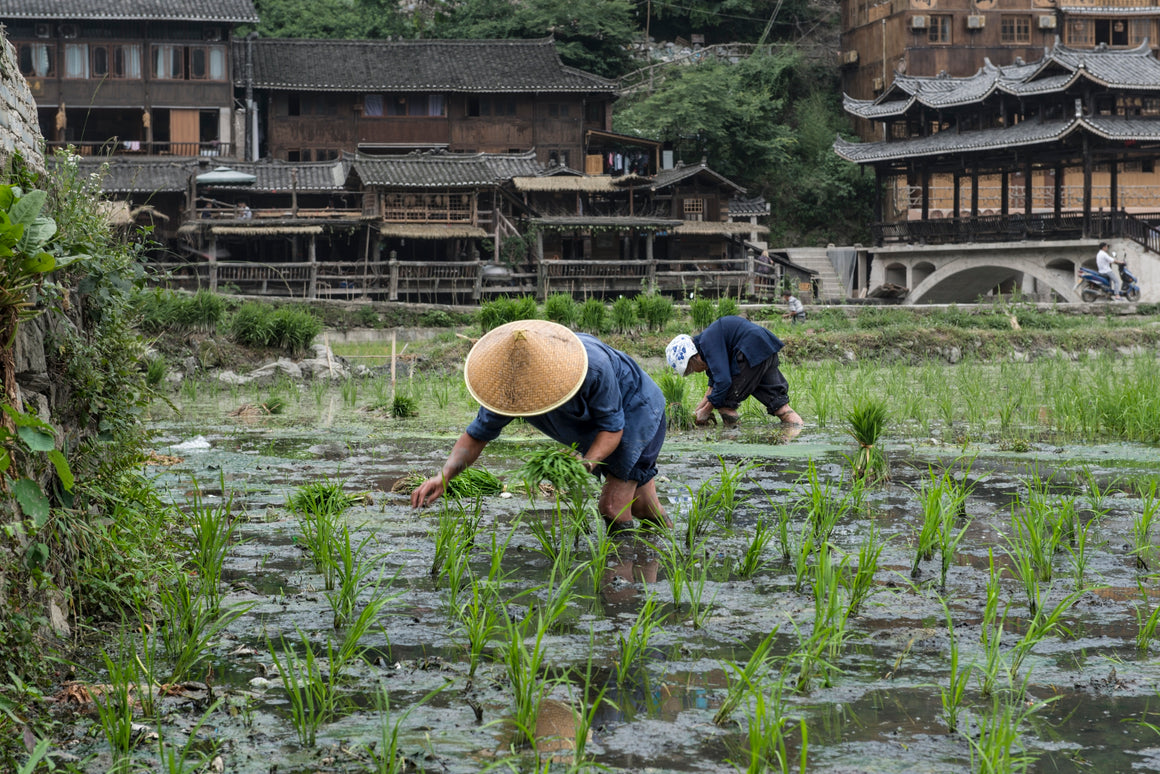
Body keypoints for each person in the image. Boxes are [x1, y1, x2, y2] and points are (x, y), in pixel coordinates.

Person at [411, 320, 671, 532]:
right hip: (602, 429)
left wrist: (586, 462)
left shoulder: (592, 369)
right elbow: (476, 436)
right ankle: (668, 553)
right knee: (641, 507)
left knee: (613, 508)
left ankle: (622, 587)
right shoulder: (508, 388)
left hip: (638, 412)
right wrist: (444, 476)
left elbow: (613, 429)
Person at [666, 316, 803, 428]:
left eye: (690, 370)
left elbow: (723, 382)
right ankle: (797, 436)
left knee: (724, 403)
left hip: (750, 349)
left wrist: (706, 411)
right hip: (763, 349)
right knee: (780, 405)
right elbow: (713, 387)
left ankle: (731, 450)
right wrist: (697, 412)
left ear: (693, 359)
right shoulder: (708, 344)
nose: (694, 372)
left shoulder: (708, 343)